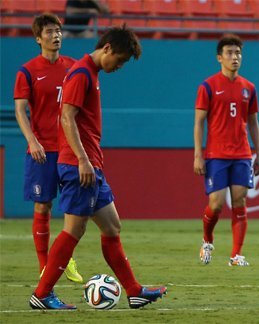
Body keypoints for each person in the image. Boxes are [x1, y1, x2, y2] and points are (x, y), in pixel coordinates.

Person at [29, 25, 167, 310]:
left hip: (91, 164)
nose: (119, 66)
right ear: (106, 49)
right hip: (80, 164)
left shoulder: (90, 72)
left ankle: (133, 291)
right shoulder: (81, 74)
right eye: (119, 60)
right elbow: (66, 118)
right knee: (73, 231)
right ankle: (42, 294)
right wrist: (82, 159)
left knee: (112, 226)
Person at [13, 14, 83, 284]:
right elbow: (20, 110)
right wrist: (32, 140)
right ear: (38, 38)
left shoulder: (74, 67)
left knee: (73, 211)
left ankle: (65, 260)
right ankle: (45, 266)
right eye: (50, 32)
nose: (56, 36)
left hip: (69, 149)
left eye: (59, 31)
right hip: (42, 150)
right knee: (43, 206)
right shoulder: (28, 71)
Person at [194, 34, 259, 267]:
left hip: (242, 154)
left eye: (238, 53)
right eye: (230, 53)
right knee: (216, 203)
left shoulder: (249, 88)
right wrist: (198, 155)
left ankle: (236, 255)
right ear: (219, 58)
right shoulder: (208, 86)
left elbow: (253, 122)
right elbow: (199, 122)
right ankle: (207, 240)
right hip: (216, 154)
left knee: (240, 201)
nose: (235, 57)